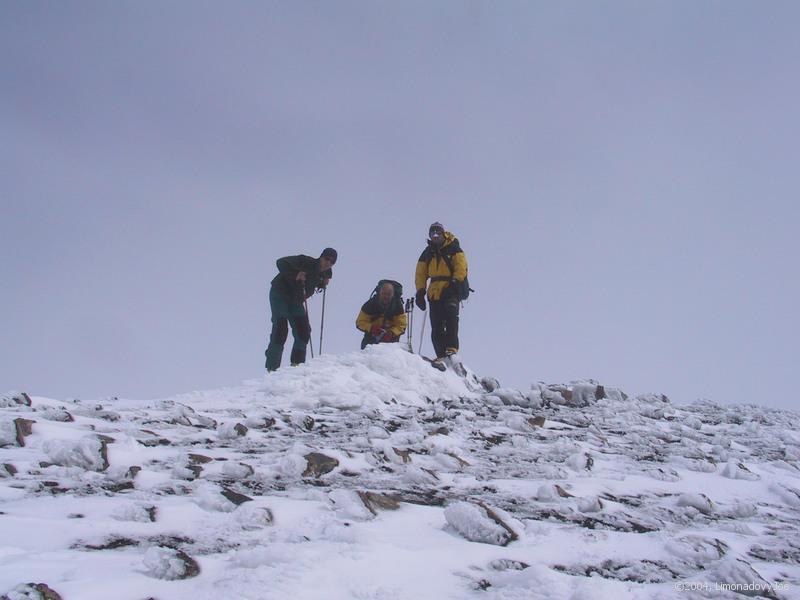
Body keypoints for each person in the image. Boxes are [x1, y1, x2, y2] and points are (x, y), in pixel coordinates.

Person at [265, 247, 337, 371]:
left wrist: (322, 283)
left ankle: (296, 367)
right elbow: (280, 262)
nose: (328, 263)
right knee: (281, 329)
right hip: (280, 294)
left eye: (332, 262)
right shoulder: (305, 262)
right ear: (321, 257)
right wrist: (295, 274)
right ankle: (272, 368)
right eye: (326, 259)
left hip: (296, 300)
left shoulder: (326, 273)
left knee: (303, 332)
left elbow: (318, 280)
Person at [414, 222, 468, 361]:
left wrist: (454, 284)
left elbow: (461, 268)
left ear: (443, 233)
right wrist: (420, 291)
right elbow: (420, 273)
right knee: (436, 324)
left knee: (451, 320)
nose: (435, 235)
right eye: (432, 233)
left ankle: (451, 349)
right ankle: (441, 354)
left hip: (450, 290)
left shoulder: (454, 249)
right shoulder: (427, 253)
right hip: (434, 293)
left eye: (438, 232)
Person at [356, 280, 407, 349]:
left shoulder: (397, 306)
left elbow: (402, 325)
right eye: (384, 293)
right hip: (371, 339)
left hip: (391, 341)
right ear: (379, 292)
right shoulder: (370, 304)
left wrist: (391, 333)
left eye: (388, 294)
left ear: (392, 295)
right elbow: (360, 322)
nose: (385, 296)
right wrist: (372, 328)